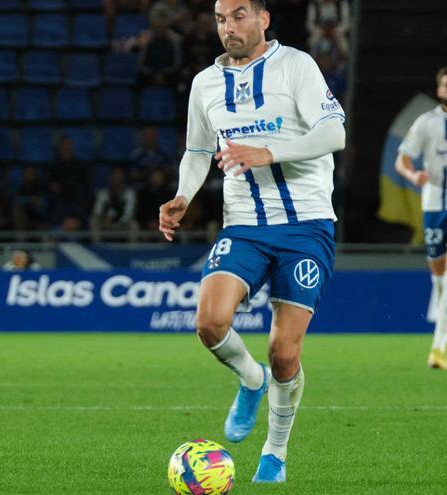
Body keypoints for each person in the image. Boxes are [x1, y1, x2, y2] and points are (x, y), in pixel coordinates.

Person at [158, 0, 345, 483]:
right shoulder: (205, 84)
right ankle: (250, 378)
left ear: (263, 18)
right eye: (221, 19)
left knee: (285, 353)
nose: (229, 27)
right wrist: (183, 195)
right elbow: (199, 150)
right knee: (209, 322)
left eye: (239, 15)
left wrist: (269, 150)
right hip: (242, 225)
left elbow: (333, 131)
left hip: (306, 225)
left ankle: (275, 453)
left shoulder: (296, 66)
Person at [394, 66, 447, 369]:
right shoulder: (427, 122)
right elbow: (402, 159)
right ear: (439, 90)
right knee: (439, 280)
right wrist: (413, 174)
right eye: (445, 85)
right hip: (434, 202)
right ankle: (441, 330)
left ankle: (439, 347)